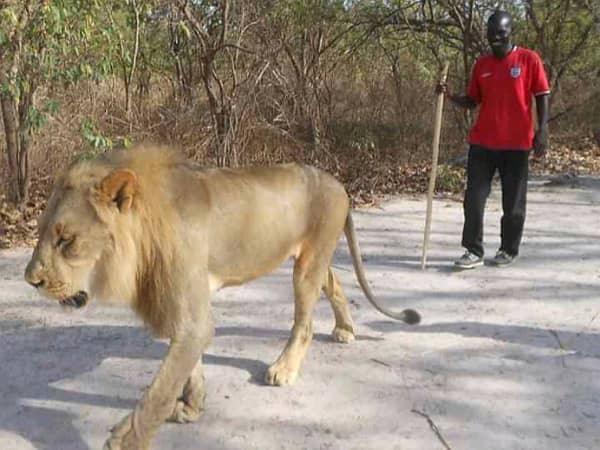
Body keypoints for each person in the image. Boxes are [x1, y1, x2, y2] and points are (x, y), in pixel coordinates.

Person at [438, 10, 550, 269]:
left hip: (517, 145)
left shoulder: (528, 59)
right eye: (491, 33)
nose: (495, 38)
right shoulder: (482, 65)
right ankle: (473, 250)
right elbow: (472, 101)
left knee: (513, 205)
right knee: (473, 199)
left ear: (511, 31)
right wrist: (449, 96)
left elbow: (543, 95)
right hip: (483, 145)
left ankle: (508, 249)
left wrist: (541, 130)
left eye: (500, 33)